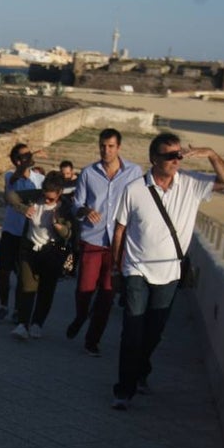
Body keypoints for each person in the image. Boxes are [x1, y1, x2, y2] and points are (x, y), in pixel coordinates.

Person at [110, 132, 224, 410]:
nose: (176, 160)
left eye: (179, 155)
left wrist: (213, 154)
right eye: (169, 156)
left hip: (170, 274)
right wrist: (115, 269)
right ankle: (124, 390)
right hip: (136, 270)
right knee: (133, 329)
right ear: (154, 159)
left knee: (153, 332)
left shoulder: (191, 184)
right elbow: (119, 230)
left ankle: (141, 371)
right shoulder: (134, 189)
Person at [67, 128, 143, 356]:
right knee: (84, 289)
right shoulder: (89, 173)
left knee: (107, 296)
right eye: (102, 145)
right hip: (92, 239)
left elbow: (140, 202)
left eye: (110, 146)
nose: (106, 150)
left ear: (118, 147)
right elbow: (75, 204)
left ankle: (92, 341)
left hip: (119, 243)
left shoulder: (134, 172)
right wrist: (85, 210)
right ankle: (81, 316)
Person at [11, 171, 70, 340]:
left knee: (46, 289)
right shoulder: (36, 197)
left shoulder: (65, 208)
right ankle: (22, 324)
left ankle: (37, 323)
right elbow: (10, 195)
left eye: (51, 199)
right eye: (45, 196)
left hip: (52, 252)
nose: (47, 200)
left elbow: (69, 233)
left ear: (59, 194)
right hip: (30, 248)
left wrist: (60, 228)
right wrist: (23, 208)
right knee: (26, 287)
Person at [0, 143, 44, 321]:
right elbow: (12, 185)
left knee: (23, 275)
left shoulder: (38, 179)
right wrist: (23, 164)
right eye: (24, 155)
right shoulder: (10, 176)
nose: (29, 157)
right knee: (4, 272)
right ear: (16, 160)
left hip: (28, 233)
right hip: (10, 231)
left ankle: (17, 309)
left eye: (30, 154)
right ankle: (3, 305)